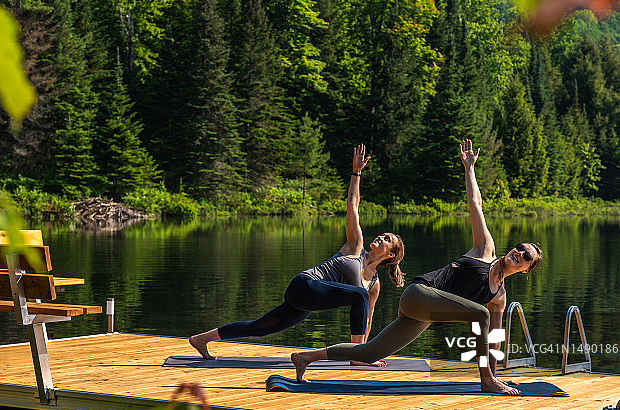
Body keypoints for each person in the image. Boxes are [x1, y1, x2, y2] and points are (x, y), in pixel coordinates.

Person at [290, 139, 543, 395]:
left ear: (525, 270)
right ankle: (485, 381)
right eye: (520, 248)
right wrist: (469, 168)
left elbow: (492, 343)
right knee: (480, 314)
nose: (519, 253)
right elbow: (475, 204)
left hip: (425, 314)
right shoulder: (485, 250)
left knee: (369, 352)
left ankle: (305, 358)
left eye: (526, 257)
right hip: (420, 294)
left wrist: (498, 375)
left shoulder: (498, 297)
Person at [189, 144, 406, 361]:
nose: (381, 237)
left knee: (261, 327)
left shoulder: (374, 284)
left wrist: (368, 351)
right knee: (358, 295)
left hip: (306, 304)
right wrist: (356, 173)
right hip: (304, 285)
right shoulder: (355, 247)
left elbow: (366, 320)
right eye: (383, 234)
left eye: (387, 240)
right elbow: (353, 205)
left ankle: (201, 339)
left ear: (390, 255)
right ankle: (356, 355)